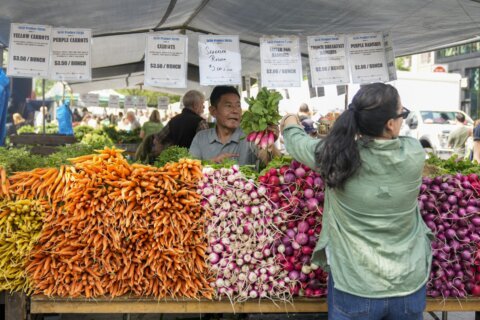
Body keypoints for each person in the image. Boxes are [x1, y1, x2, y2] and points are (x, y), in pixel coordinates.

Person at [280, 83, 432, 320]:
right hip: (407, 286)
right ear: (391, 124)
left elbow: (297, 143)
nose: (403, 120)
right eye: (402, 114)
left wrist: (290, 121)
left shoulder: (338, 157)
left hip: (354, 286)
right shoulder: (414, 153)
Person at [189, 86, 279, 165]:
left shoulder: (251, 136)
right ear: (213, 111)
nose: (235, 111)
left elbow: (273, 163)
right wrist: (213, 162)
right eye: (228, 106)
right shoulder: (201, 138)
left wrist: (269, 144)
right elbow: (190, 169)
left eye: (238, 105)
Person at [135, 90, 208, 163]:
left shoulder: (173, 120)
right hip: (193, 165)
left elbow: (157, 139)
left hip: (173, 166)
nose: (204, 106)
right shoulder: (200, 122)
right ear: (195, 105)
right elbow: (206, 146)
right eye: (202, 103)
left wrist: (163, 152)